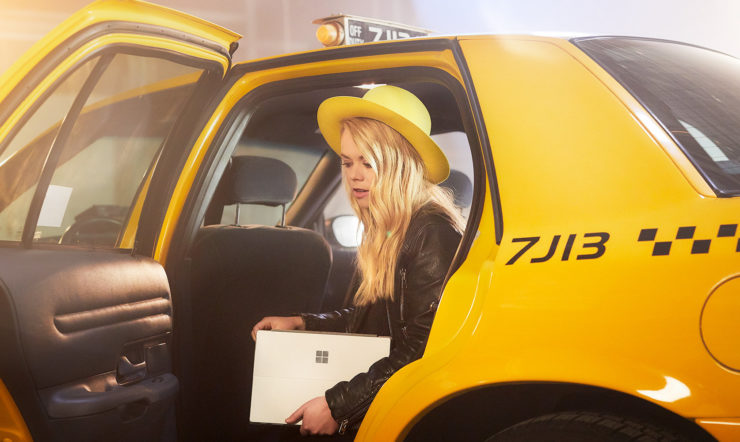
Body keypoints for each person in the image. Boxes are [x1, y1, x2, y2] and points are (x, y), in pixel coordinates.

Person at [251, 85, 464, 436]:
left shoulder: (431, 233)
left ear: (399, 164)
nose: (354, 174)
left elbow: (422, 349)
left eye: (368, 162)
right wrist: (303, 324)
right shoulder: (393, 227)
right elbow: (375, 319)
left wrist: (338, 405)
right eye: (348, 162)